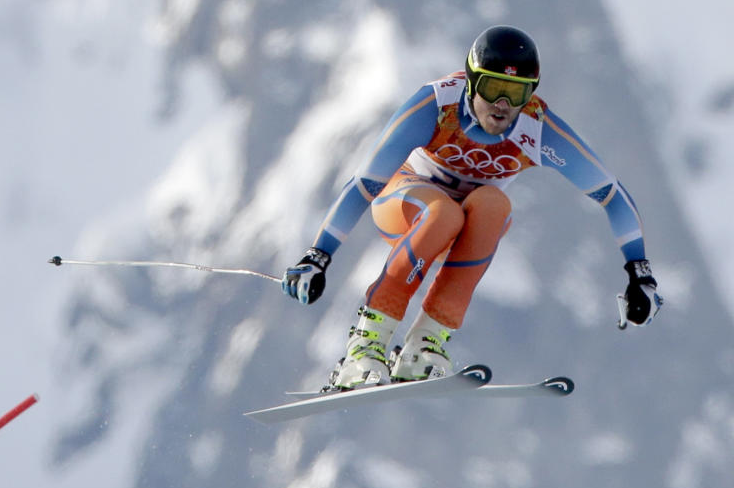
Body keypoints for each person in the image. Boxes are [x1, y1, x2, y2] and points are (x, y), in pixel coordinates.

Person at [281, 25, 662, 391]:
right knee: (443, 212)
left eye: (516, 93)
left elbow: (612, 194)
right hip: (404, 205)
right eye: (494, 87)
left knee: (495, 206)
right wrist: (318, 256)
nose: (502, 105)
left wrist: (638, 272)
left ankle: (424, 346)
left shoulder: (537, 127)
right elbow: (365, 184)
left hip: (462, 226)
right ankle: (365, 347)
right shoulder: (436, 104)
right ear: (470, 81)